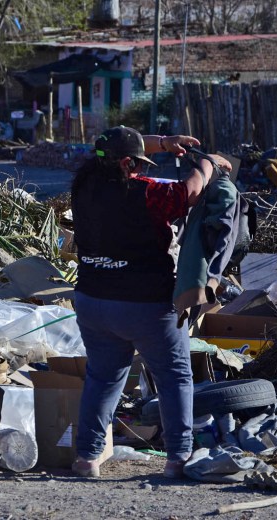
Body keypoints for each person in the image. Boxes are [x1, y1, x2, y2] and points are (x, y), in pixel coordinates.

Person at [70, 126, 232, 479]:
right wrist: (207, 164)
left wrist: (163, 144)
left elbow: (108, 147)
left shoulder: (84, 183)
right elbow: (190, 192)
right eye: (139, 162)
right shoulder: (146, 193)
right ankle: (177, 458)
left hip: (93, 301)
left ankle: (87, 457)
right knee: (174, 377)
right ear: (127, 164)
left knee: (103, 377)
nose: (143, 168)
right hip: (145, 305)